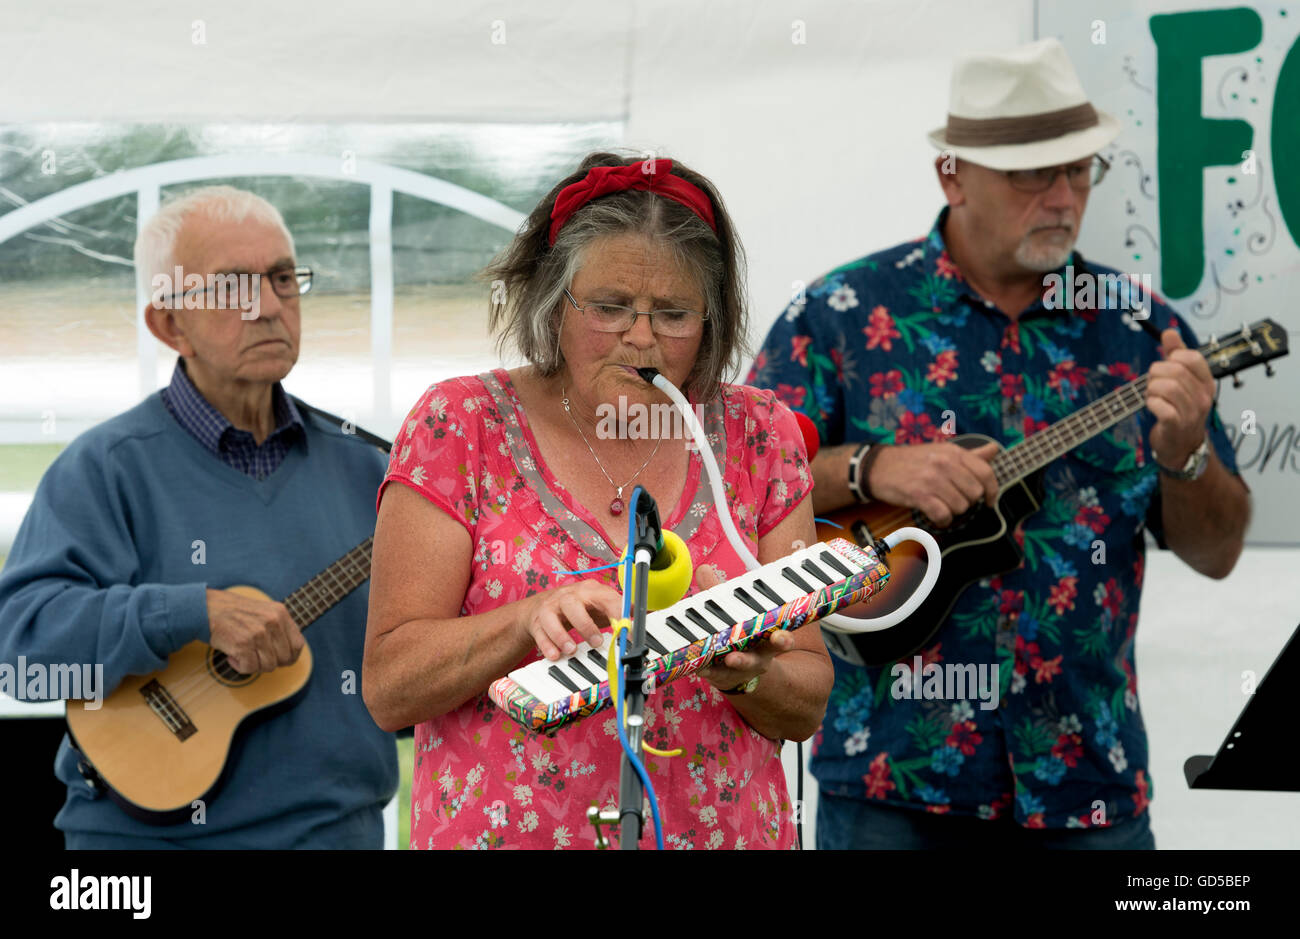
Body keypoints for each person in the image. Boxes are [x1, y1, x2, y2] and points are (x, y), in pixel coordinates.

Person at [748, 39, 1251, 849]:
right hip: (891, 780)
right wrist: (871, 466)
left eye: (1079, 171)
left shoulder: (1140, 329)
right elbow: (736, 493)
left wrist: (1185, 452)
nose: (1061, 197)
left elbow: (1218, 550)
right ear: (952, 174)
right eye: (1031, 174)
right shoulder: (841, 311)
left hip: (1087, 782)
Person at [363, 152, 831, 850]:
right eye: (609, 307)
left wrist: (749, 671)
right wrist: (525, 621)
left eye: (673, 313)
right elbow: (390, 686)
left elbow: (809, 696)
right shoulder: (461, 424)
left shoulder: (758, 433)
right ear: (554, 303)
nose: (641, 337)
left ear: (712, 320)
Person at [0, 186, 398, 847]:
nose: (270, 307)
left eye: (281, 279)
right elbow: (21, 652)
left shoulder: (373, 470)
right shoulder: (104, 468)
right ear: (169, 325)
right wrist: (189, 613)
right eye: (236, 287)